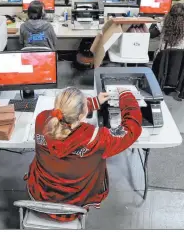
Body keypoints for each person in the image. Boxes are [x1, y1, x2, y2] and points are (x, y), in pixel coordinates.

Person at [26, 87, 142, 222]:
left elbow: (65, 116)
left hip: (38, 195)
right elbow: (132, 128)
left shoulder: (42, 119)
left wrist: (94, 103)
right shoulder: (97, 139)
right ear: (82, 115)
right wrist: (125, 94)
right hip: (74, 207)